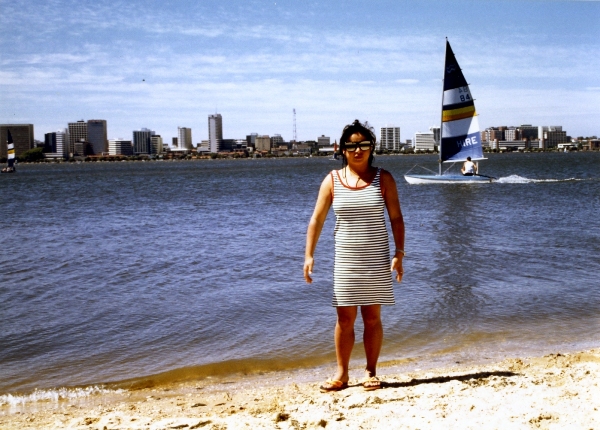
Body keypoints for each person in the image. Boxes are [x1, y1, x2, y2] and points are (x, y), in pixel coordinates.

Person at [303, 119, 405, 392]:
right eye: (351, 146)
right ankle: (342, 373)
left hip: (376, 259)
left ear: (372, 148)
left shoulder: (384, 178)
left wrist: (399, 252)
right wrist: (309, 255)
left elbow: (396, 218)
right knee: (345, 319)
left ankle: (370, 371)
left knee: (372, 318)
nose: (357, 150)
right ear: (343, 149)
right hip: (346, 260)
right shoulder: (332, 180)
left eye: (363, 145)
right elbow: (317, 220)